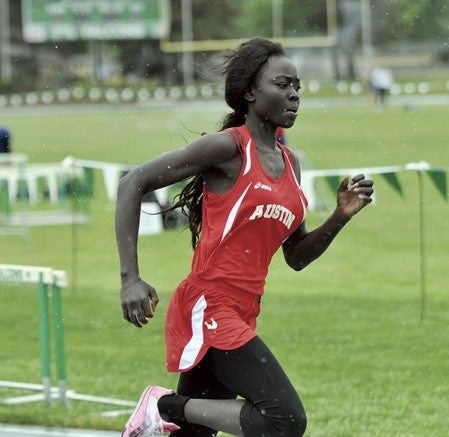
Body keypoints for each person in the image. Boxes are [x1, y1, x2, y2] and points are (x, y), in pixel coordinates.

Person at [115, 37, 374, 437]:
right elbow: (134, 182)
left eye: (298, 86)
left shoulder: (291, 164)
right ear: (252, 91)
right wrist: (129, 277)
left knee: (193, 433)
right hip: (210, 305)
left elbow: (297, 256)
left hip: (243, 309)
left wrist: (340, 215)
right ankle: (162, 405)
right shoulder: (228, 148)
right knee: (283, 420)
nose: (294, 95)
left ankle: (169, 415)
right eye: (282, 84)